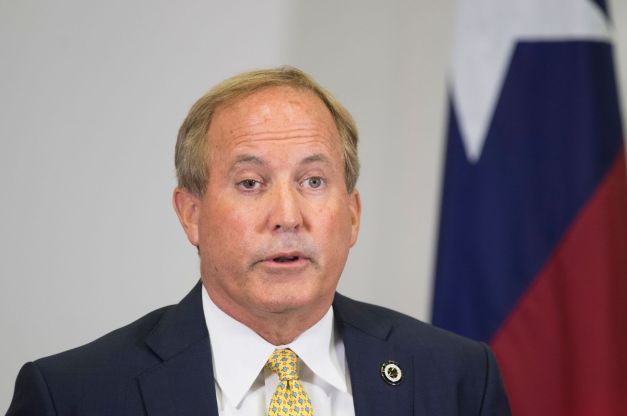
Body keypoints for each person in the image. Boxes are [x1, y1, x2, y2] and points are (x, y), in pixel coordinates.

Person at [6, 67, 511, 416]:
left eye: (313, 182)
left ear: (352, 215)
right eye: (250, 183)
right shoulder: (74, 396)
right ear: (192, 215)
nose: (287, 216)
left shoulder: (458, 379)